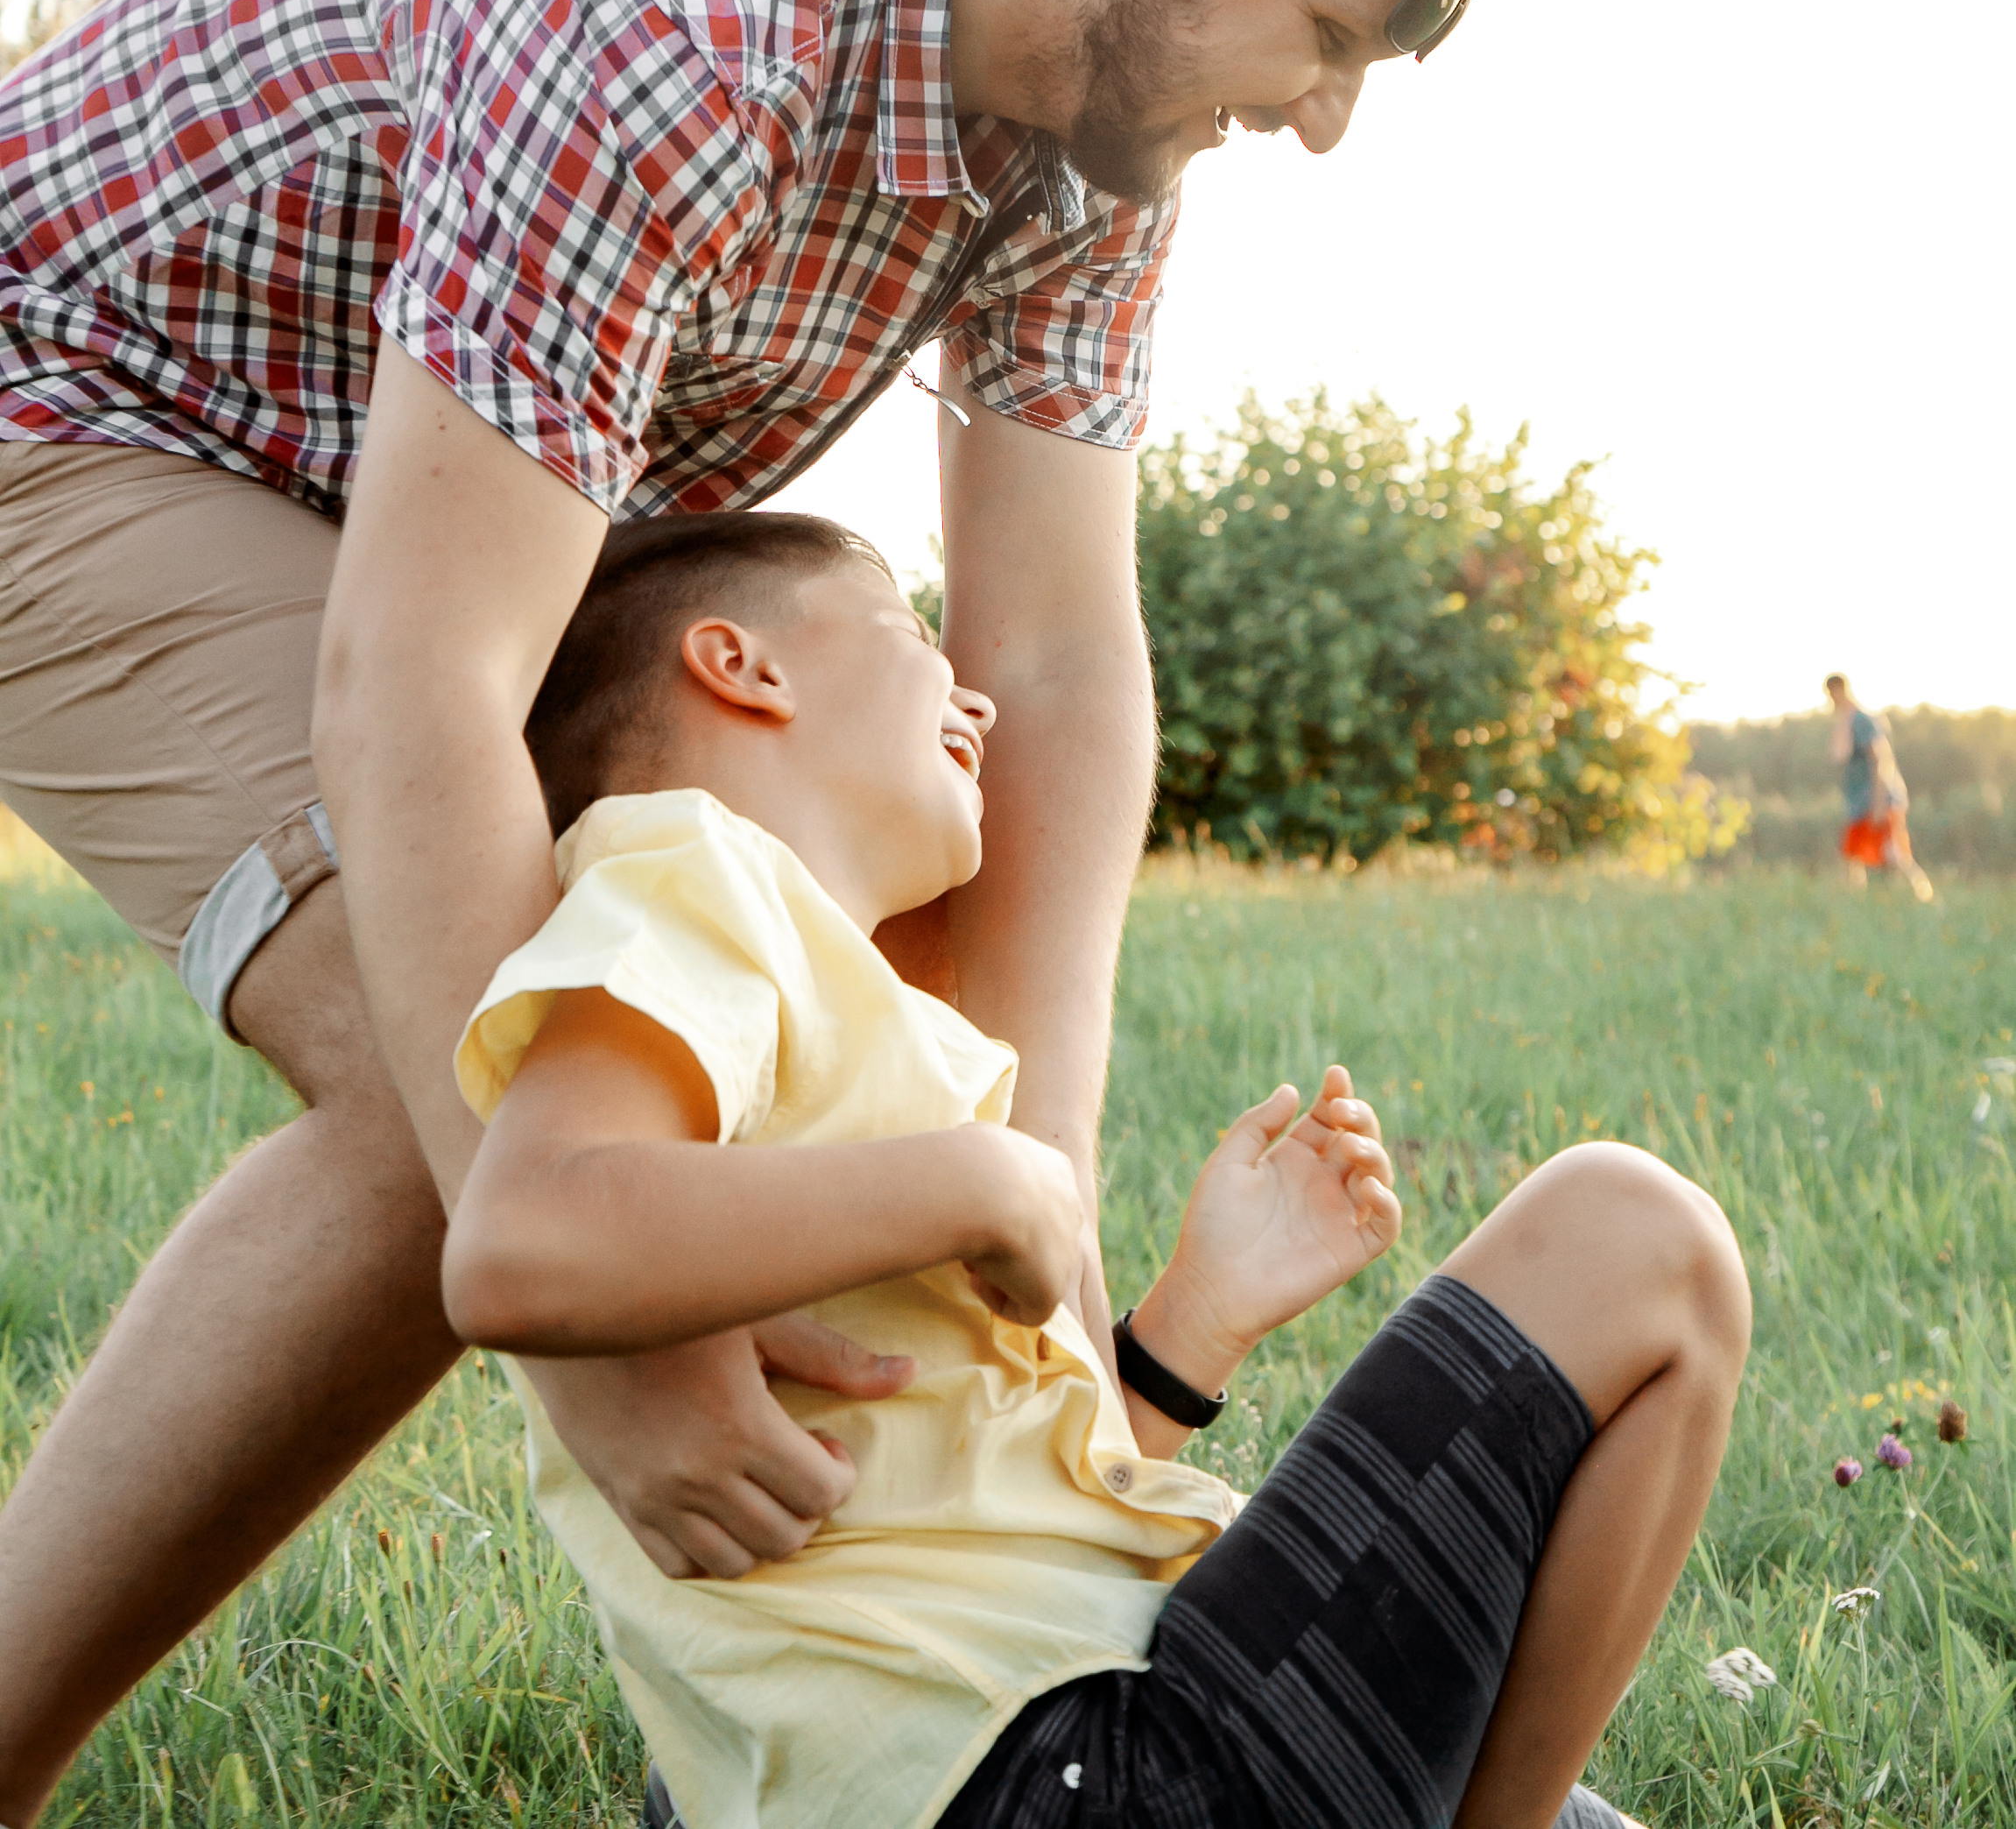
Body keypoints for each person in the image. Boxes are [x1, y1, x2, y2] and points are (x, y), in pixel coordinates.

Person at [0, 0, 1543, 1818]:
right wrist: (595, 1338)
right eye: (1325, 37)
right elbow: (417, 675)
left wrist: (1036, 1229)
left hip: (421, 465)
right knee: (473, 1080)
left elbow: (1056, 665)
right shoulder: (678, 12)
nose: (1314, 121)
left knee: (758, 1052)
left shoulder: (1087, 136)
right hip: (88, 415)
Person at [441, 505, 1749, 1829]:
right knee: (1637, 1236)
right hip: (1065, 1776)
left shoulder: (811, 1038)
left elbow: (970, 1514)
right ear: (743, 665)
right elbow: (514, 1238)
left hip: (972, 1758)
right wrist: (986, 1182)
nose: (976, 702)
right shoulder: (693, 880)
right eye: (908, 633)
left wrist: (1196, 1320)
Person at [1825, 674, 1932, 900]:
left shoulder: (1863, 720)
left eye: (1832, 692)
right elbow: (1838, 756)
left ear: (1841, 690)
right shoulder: (1845, 721)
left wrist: (1879, 803)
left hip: (1878, 799)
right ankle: (1857, 903)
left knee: (1897, 857)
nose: (1830, 699)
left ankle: (1925, 899)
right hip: (1859, 803)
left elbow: (1881, 761)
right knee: (1852, 857)